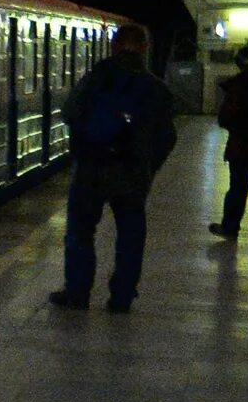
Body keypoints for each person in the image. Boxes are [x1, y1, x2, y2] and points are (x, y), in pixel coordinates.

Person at [51, 23, 179, 312]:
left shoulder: (97, 77)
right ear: (145, 48)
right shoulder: (157, 88)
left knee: (80, 232)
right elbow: (167, 137)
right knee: (131, 235)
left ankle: (77, 294)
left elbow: (70, 112)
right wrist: (148, 165)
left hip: (91, 168)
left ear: (115, 46)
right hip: (133, 172)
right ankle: (121, 298)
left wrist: (85, 144)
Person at [215, 43, 248, 241]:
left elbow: (225, 118)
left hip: (241, 148)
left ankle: (230, 228)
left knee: (237, 190)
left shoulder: (237, 85)